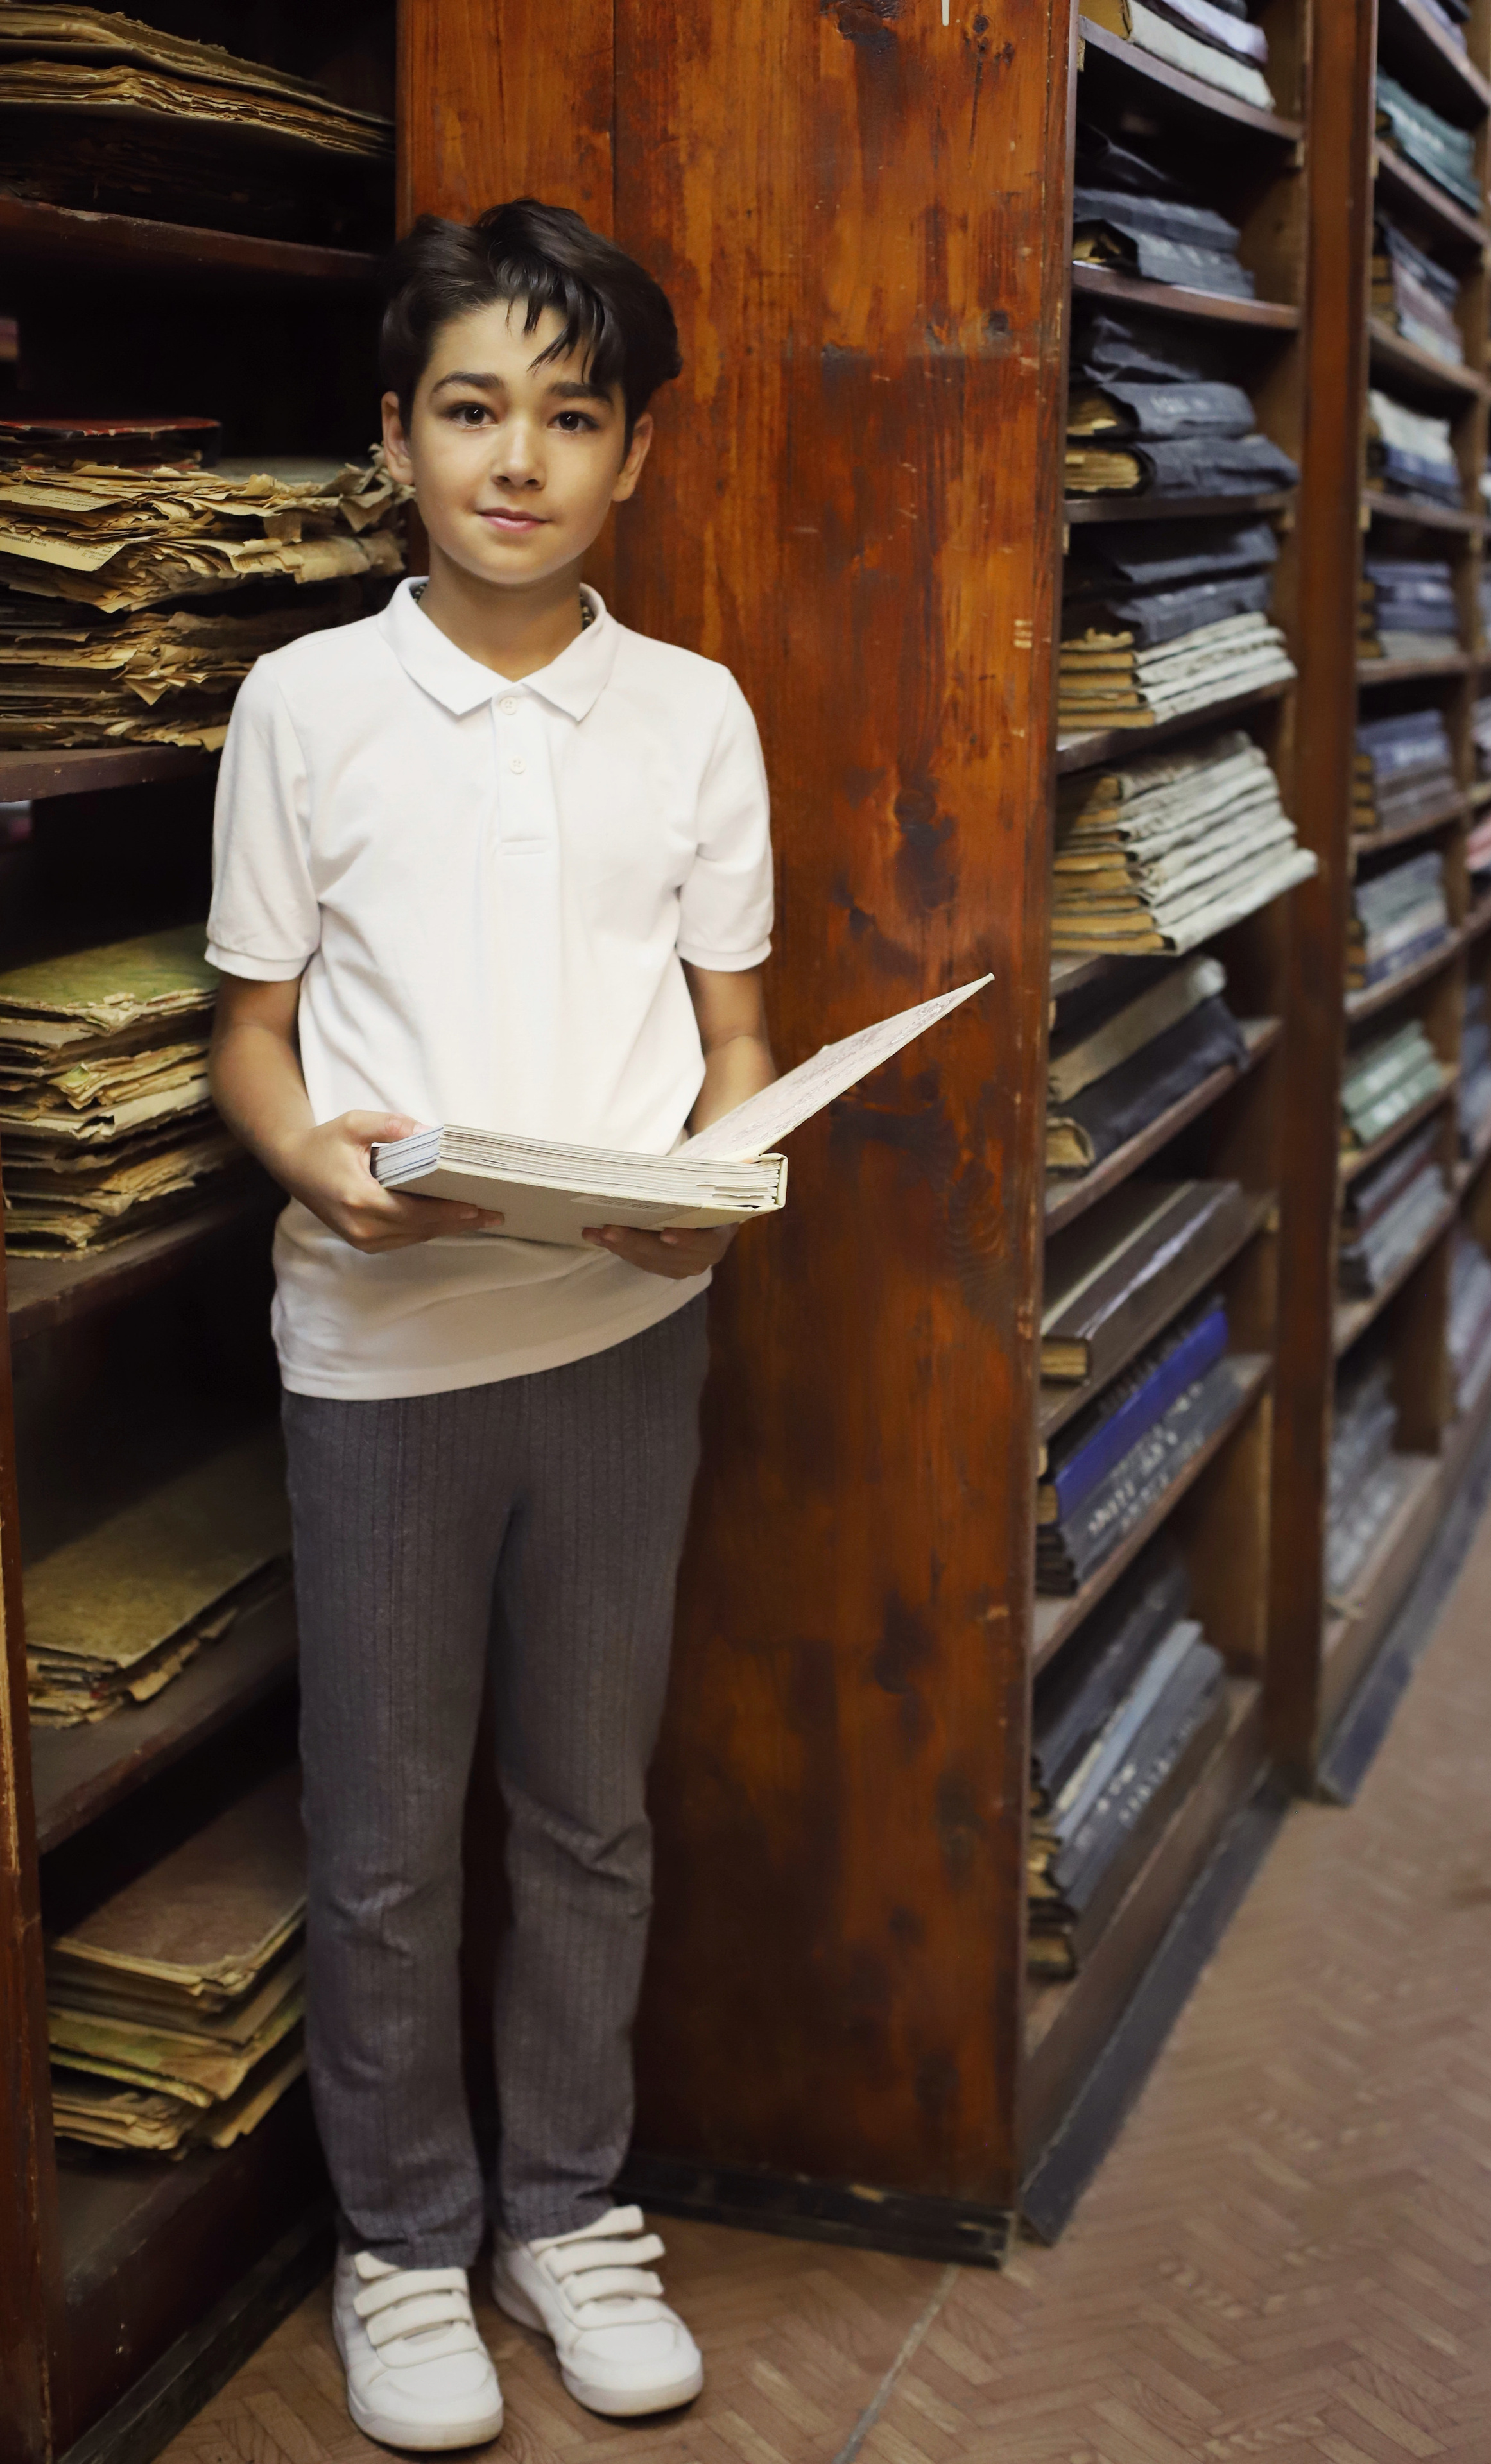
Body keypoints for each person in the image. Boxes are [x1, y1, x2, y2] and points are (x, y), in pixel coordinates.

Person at [207, 198, 775, 2445]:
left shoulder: (694, 714)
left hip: (623, 1339)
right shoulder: (308, 704)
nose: (517, 458)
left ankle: (567, 2212)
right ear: (396, 440)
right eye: (470, 410)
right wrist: (315, 1165)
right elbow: (253, 1033)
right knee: (382, 1838)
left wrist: (724, 1184)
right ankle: (405, 2247)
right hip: (385, 1354)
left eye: (571, 414)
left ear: (635, 455)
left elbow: (738, 1036)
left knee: (588, 1815)